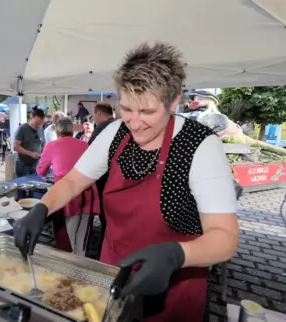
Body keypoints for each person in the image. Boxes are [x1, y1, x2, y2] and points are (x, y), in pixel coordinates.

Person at [13, 42, 239, 321]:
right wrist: (42, 208)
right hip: (114, 276)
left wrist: (176, 255)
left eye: (147, 112)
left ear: (173, 100)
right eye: (127, 108)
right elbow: (72, 182)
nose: (134, 122)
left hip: (174, 288)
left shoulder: (199, 146)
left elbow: (226, 238)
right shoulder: (114, 134)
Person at [36, 118, 99, 255]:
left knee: (67, 238)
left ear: (57, 131)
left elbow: (41, 171)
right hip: (87, 191)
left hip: (66, 193)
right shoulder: (84, 145)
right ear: (72, 130)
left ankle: (68, 270)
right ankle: (80, 266)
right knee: (82, 237)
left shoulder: (52, 145)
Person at [88, 102, 115, 236]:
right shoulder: (121, 125)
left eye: (94, 114)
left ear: (99, 113)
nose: (94, 118)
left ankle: (105, 235)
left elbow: (90, 151)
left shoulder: (101, 127)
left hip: (104, 176)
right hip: (118, 176)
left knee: (105, 208)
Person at [13, 108, 45, 177]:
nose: (38, 126)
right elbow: (16, 147)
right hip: (23, 166)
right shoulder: (22, 129)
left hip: (36, 165)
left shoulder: (41, 129)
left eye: (40, 124)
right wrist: (31, 154)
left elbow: (43, 144)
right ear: (32, 118)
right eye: (37, 123)